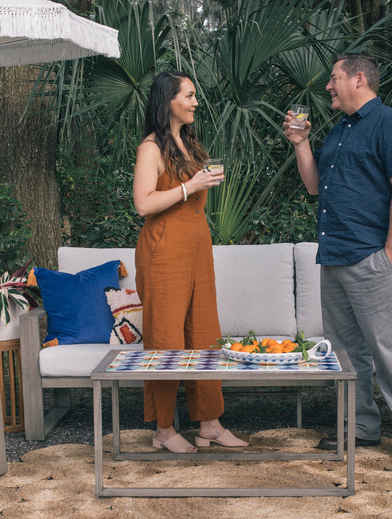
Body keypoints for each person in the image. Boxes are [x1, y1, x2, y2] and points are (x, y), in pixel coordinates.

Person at [283, 53, 392, 466]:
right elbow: (314, 186)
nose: (328, 86)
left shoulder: (389, 123)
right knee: (345, 354)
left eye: (334, 78)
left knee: (388, 350)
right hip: (333, 256)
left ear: (358, 79)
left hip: (370, 257)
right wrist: (301, 143)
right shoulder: (338, 131)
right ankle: (361, 426)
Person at [133, 70, 249, 454]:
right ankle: (163, 429)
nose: (196, 102)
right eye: (189, 95)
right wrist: (190, 186)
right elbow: (143, 203)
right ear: (168, 101)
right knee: (165, 339)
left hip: (198, 249)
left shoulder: (189, 144)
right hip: (164, 253)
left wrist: (201, 182)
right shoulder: (151, 148)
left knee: (204, 334)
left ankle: (210, 424)